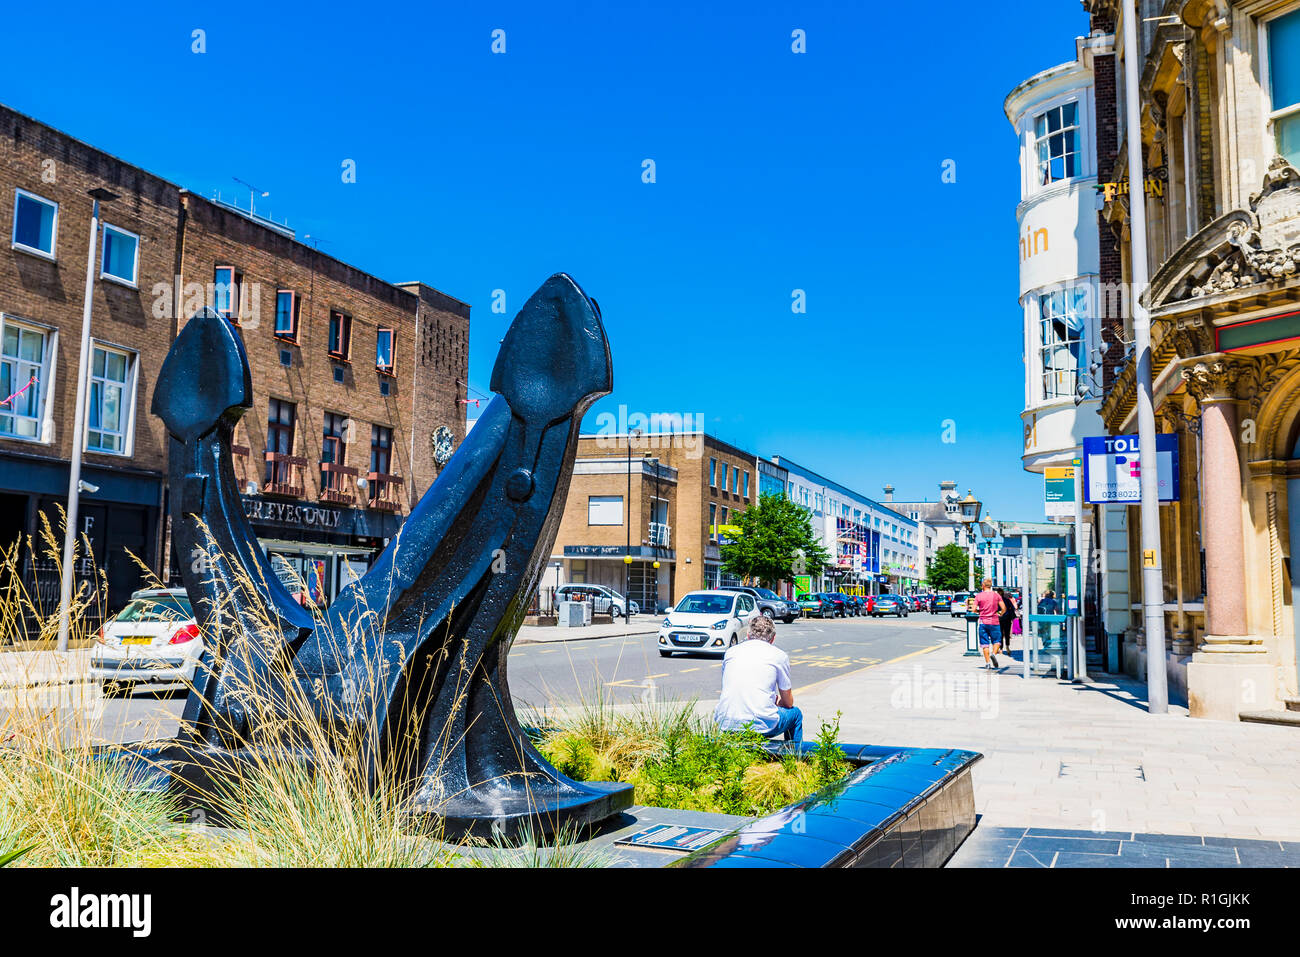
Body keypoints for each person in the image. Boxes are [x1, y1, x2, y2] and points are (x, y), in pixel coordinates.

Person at [713, 612, 802, 742]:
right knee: (796, 715)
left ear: (748, 635)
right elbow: (788, 702)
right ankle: (795, 755)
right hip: (761, 725)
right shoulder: (779, 656)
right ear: (773, 638)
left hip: (727, 722)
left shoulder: (731, 652)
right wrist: (777, 701)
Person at [973, 577, 1006, 670]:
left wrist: (980, 612)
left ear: (983, 585)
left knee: (984, 644)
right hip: (994, 621)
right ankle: (994, 654)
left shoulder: (979, 596)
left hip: (983, 622)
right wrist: (1000, 614)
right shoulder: (996, 595)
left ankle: (987, 663)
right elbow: (1003, 608)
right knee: (997, 641)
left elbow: (974, 609)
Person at [996, 587, 1018, 653]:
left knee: (1000, 633)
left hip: (999, 618)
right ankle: (1007, 646)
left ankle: (1001, 649)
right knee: (1007, 633)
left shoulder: (996, 601)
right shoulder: (1007, 600)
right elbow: (1013, 608)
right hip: (1007, 618)